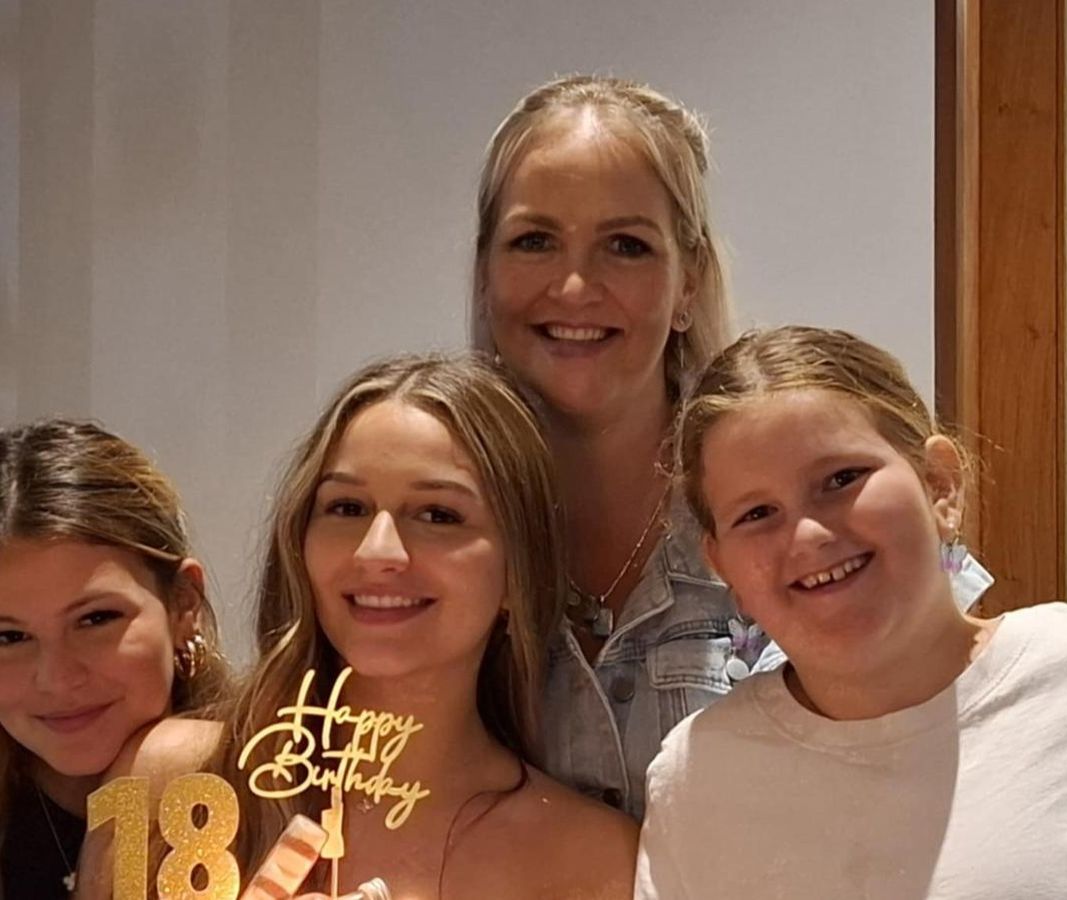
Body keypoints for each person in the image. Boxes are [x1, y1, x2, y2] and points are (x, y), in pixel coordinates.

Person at [472, 74, 993, 819]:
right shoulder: (429, 536)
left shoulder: (820, 520)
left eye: (626, 245)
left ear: (689, 282)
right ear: (486, 273)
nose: (576, 286)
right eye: (534, 241)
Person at [635, 326, 1067, 899]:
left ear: (939, 485)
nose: (807, 535)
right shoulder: (698, 775)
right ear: (722, 566)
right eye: (756, 513)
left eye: (841, 479)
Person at [81, 355, 636, 900]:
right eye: (347, 508)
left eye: (439, 515)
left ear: (519, 572)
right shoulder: (167, 778)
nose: (377, 551)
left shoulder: (595, 862)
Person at [0, 419, 230, 900]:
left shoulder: (287, 782)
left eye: (96, 619)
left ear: (183, 605)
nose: (57, 678)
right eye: (10, 637)